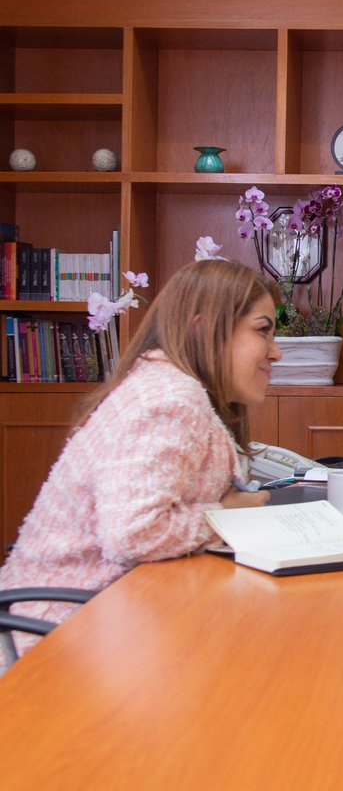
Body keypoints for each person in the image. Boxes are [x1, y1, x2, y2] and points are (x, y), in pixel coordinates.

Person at [0, 260, 278, 662]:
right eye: (262, 330)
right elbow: (134, 532)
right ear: (203, 329)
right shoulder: (167, 399)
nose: (276, 350)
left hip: (104, 619)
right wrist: (223, 514)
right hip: (53, 639)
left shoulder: (168, 387)